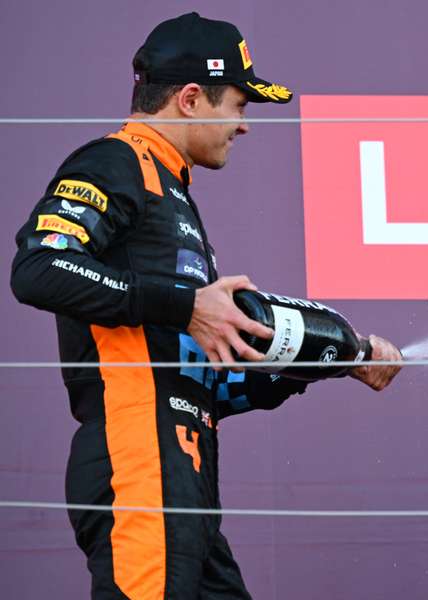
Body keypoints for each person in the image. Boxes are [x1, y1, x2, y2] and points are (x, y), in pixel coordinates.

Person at [10, 12, 401, 599]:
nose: (243, 127)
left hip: (184, 480)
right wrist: (185, 306)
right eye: (240, 106)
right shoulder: (115, 162)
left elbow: (197, 378)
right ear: (191, 99)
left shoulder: (174, 195)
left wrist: (315, 361)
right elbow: (37, 268)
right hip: (137, 462)